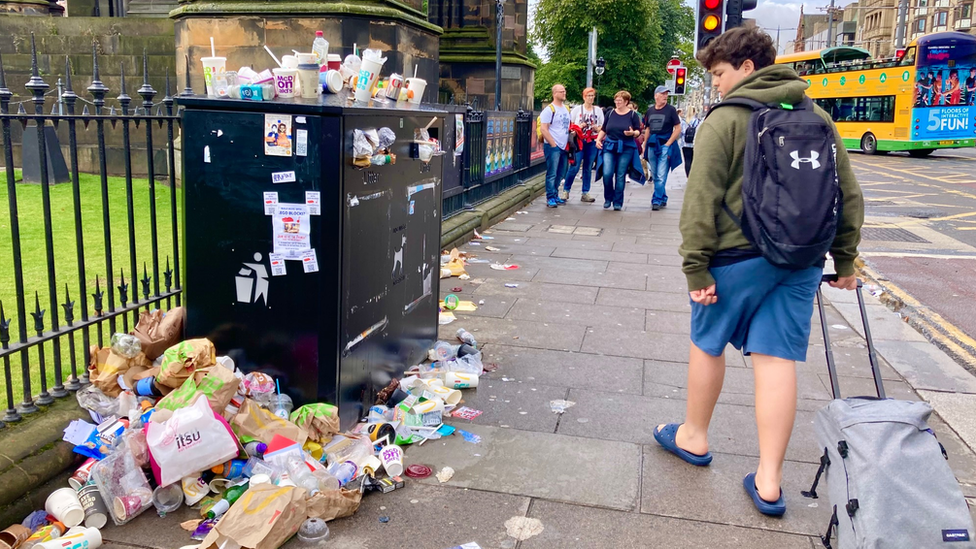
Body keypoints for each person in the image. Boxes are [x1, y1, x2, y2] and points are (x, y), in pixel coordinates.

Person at [654, 26, 863, 517]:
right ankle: (769, 481)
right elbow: (847, 193)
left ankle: (695, 437)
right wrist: (845, 261)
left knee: (707, 343)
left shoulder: (726, 118)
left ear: (748, 67)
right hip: (801, 259)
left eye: (721, 74)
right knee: (776, 360)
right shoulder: (818, 117)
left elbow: (700, 200)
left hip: (735, 260)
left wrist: (695, 269)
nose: (719, 85)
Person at [595, 90, 642, 211]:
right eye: (616, 100)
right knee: (607, 173)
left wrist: (633, 133)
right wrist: (598, 140)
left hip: (626, 147)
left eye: (620, 100)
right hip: (610, 145)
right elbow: (604, 129)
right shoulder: (610, 113)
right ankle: (608, 198)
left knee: (620, 175)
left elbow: (638, 131)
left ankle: (617, 202)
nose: (617, 102)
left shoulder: (632, 115)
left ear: (626, 102)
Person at [642, 85, 682, 210]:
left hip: (665, 145)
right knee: (654, 172)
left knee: (660, 174)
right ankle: (663, 197)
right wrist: (645, 143)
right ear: (656, 96)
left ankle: (656, 200)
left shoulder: (671, 110)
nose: (665, 96)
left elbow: (678, 128)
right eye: (663, 94)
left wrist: (668, 143)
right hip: (652, 145)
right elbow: (647, 128)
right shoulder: (650, 111)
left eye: (666, 94)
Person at [562, 88, 604, 203]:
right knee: (574, 166)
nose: (591, 98)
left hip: (592, 141)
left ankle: (585, 192)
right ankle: (566, 190)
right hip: (579, 141)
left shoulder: (598, 111)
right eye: (588, 95)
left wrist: (597, 128)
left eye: (592, 95)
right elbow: (570, 126)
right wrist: (578, 127)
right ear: (584, 97)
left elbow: (603, 127)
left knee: (588, 167)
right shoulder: (577, 110)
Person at [540, 84, 572, 208]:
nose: (564, 93)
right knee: (552, 173)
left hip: (564, 146)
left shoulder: (566, 109)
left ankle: (555, 193)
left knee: (561, 172)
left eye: (564, 91)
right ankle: (550, 197)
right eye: (561, 91)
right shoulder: (549, 110)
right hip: (553, 146)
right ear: (554, 93)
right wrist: (553, 144)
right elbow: (544, 129)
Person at [679, 109, 699, 177]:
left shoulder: (683, 121)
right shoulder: (697, 121)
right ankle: (693, 176)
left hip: (685, 143)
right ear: (694, 112)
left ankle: (688, 176)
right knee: (693, 160)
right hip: (694, 143)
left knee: (687, 160)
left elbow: (680, 133)